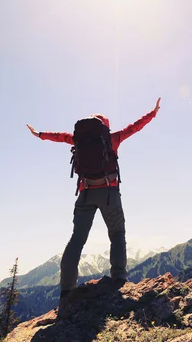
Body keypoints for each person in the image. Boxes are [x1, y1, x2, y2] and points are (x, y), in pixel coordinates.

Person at [26, 98, 161, 309]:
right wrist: (152, 114)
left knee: (77, 238)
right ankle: (118, 278)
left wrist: (40, 134)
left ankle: (66, 290)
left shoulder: (78, 140)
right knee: (117, 233)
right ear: (105, 127)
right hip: (109, 192)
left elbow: (60, 137)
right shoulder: (112, 139)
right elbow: (134, 127)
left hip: (86, 193)